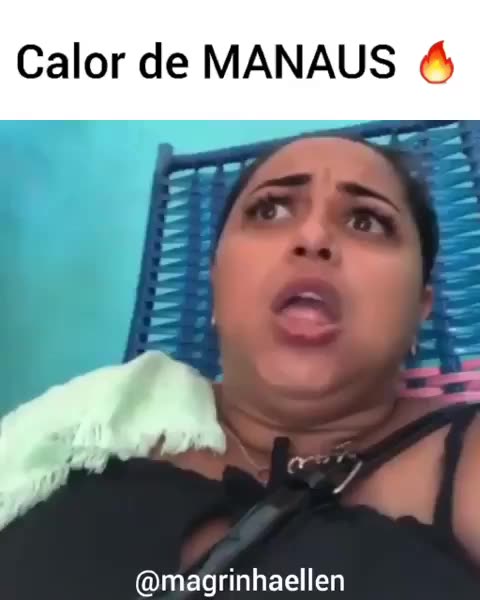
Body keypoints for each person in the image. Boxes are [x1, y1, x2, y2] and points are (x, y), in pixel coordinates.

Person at [0, 135, 479, 599]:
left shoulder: (465, 461)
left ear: (421, 309)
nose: (313, 237)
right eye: (270, 210)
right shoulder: (90, 424)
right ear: (217, 284)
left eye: (366, 221)